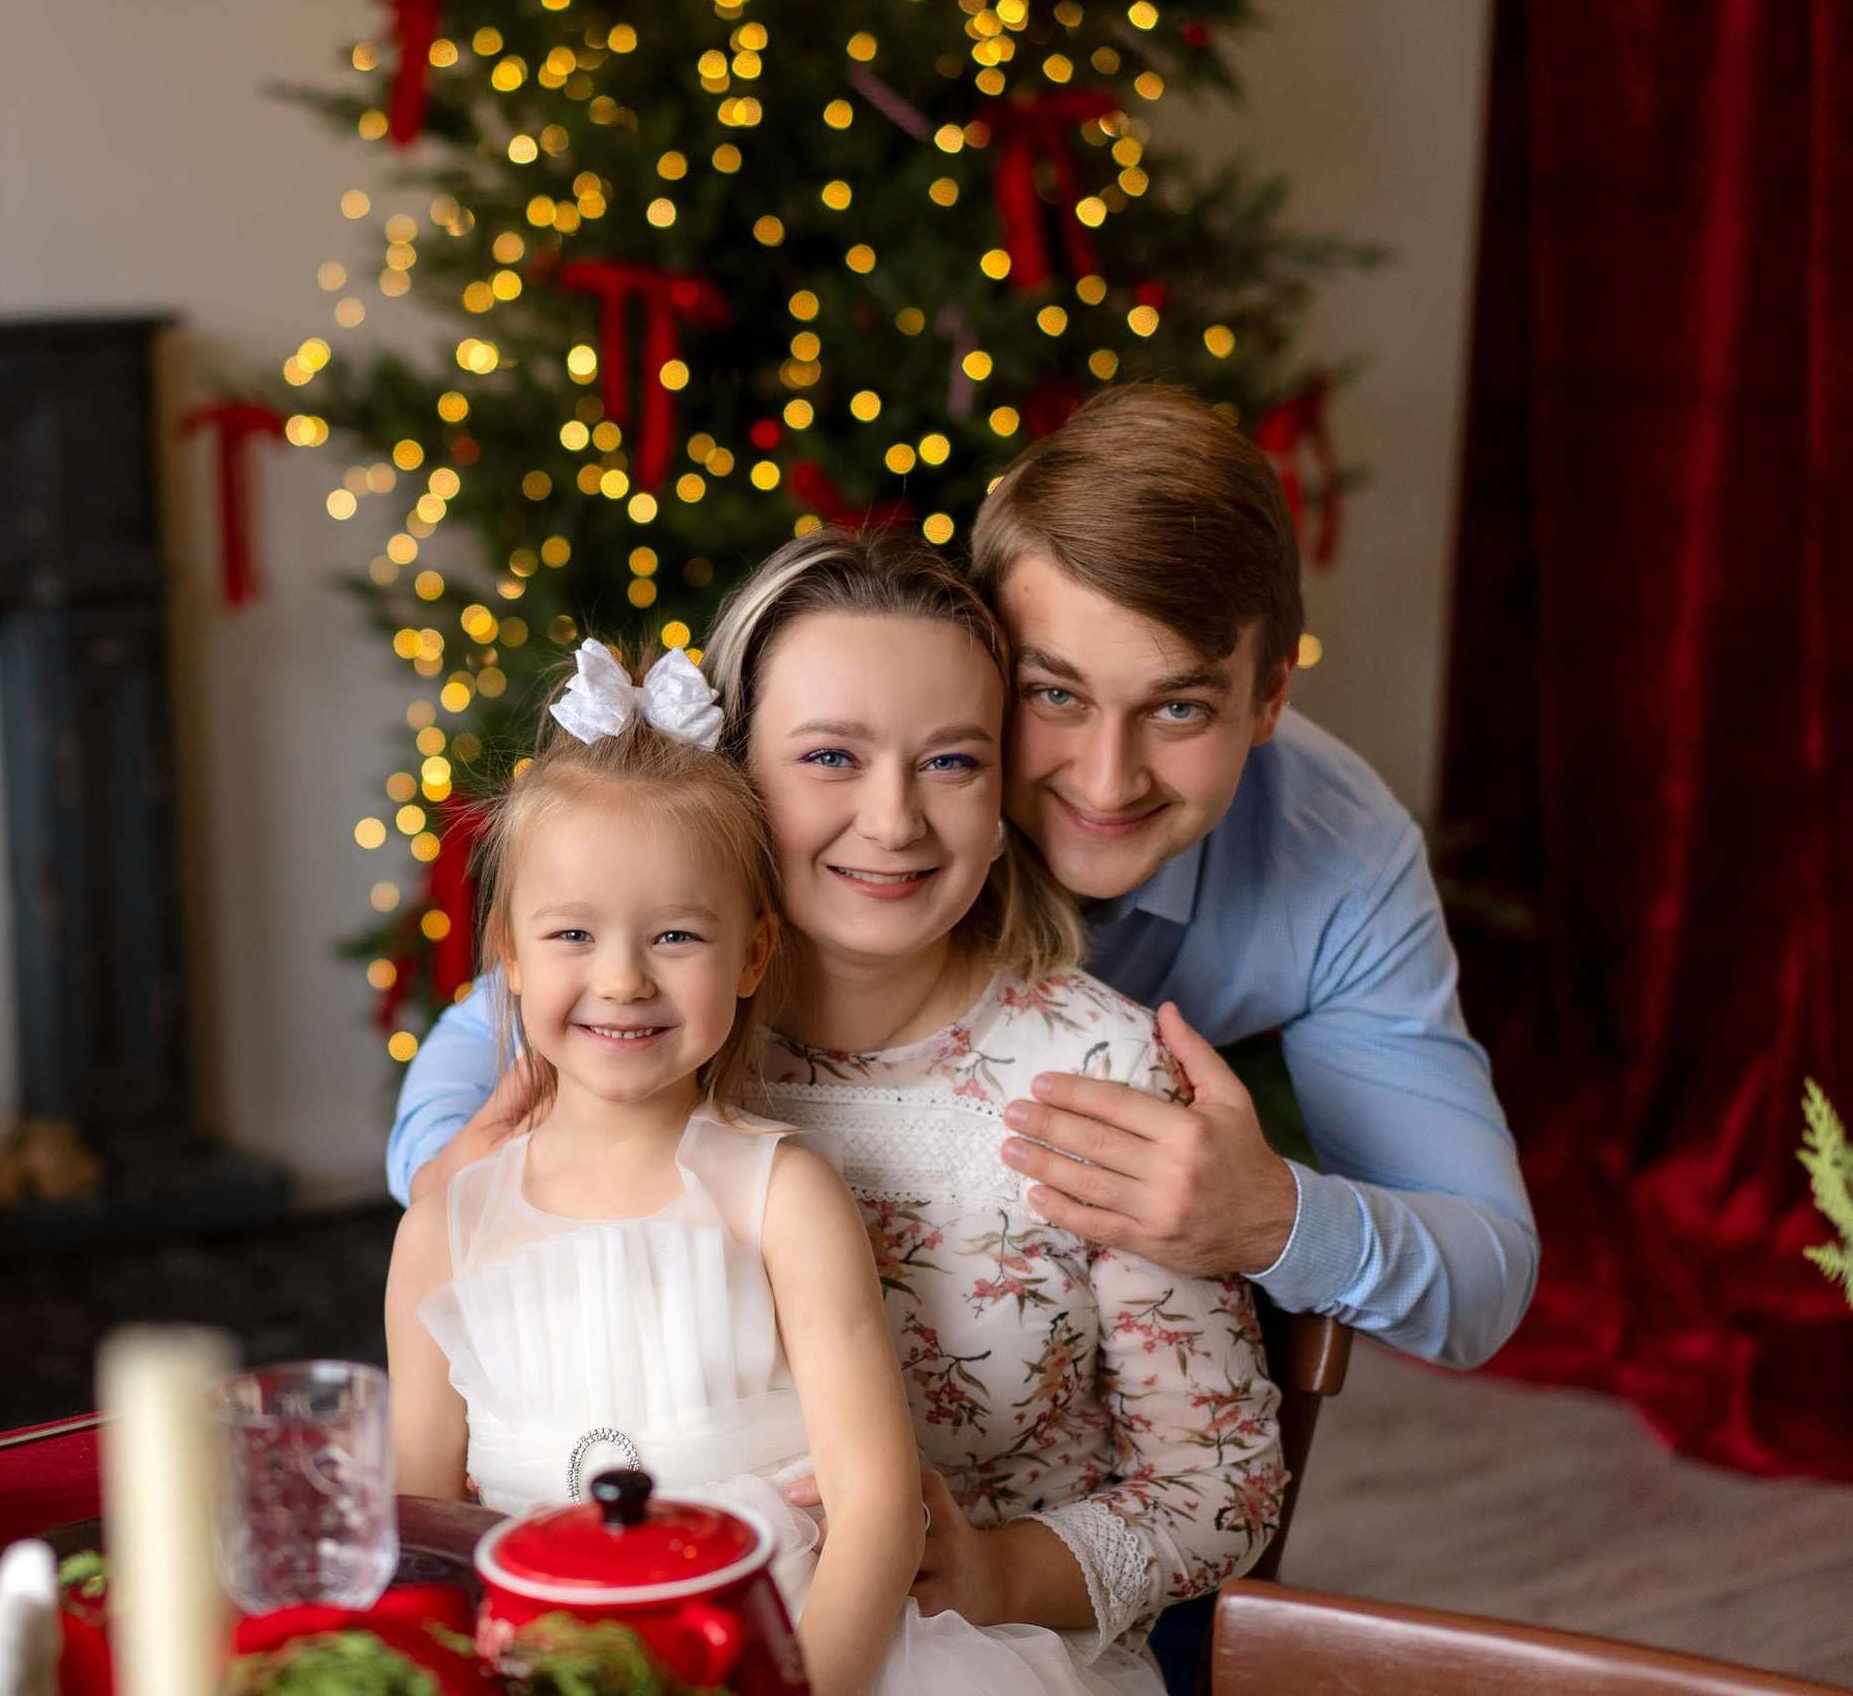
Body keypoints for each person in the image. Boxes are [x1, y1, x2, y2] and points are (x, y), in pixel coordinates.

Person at [390, 386, 1537, 1377]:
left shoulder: (1331, 854)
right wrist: (477, 1186)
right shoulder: (791, 785)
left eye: (1178, 706)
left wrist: (1275, 1218)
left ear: (1271, 695)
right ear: (983, 646)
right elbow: (515, 1034)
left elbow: (1486, 1273)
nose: (1106, 775)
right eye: (1053, 693)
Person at [387, 568, 1282, 1694]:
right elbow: (514, 1034)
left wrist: (997, 1576)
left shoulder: (1098, 1072)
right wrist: (438, 1177)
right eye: (828, 757)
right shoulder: (653, 1027)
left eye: (951, 760)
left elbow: (1224, 1490)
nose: (893, 818)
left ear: (1002, 791)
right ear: (735, 779)